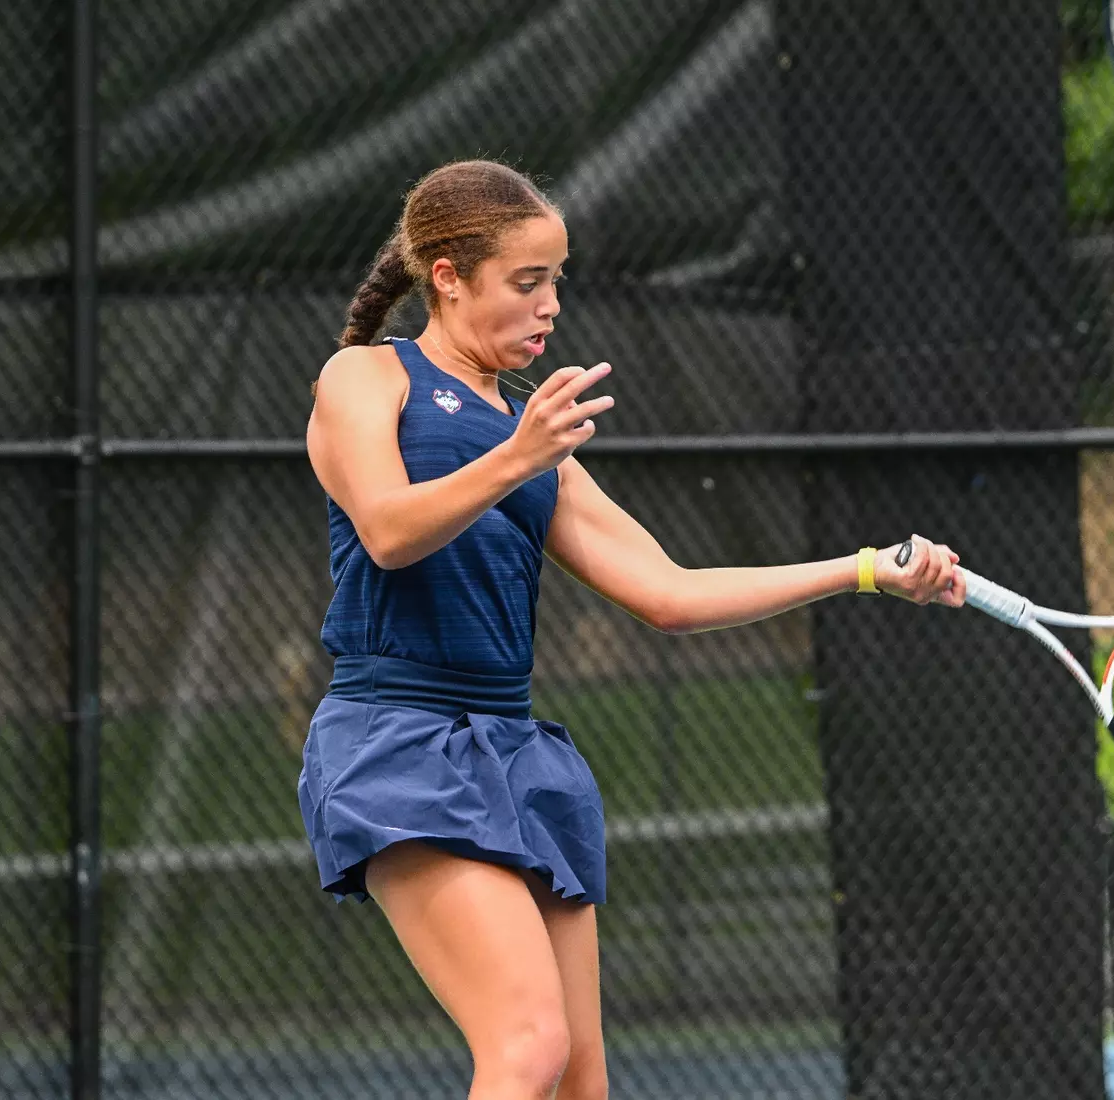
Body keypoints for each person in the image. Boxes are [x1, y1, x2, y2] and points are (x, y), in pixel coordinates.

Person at [299, 158, 965, 1100]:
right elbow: (388, 529)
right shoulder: (367, 378)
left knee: (580, 1081)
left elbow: (670, 593)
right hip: (397, 743)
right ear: (447, 277)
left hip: (515, 754)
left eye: (556, 281)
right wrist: (518, 456)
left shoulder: (534, 437)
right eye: (526, 282)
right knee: (528, 1045)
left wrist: (862, 569)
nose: (549, 305)